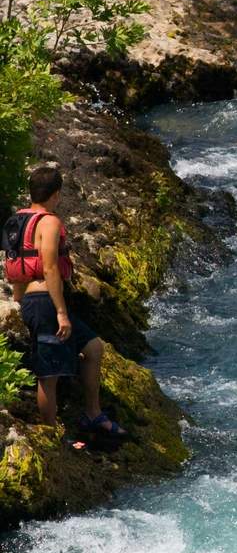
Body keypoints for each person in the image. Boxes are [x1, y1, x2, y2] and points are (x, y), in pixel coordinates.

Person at [4, 166, 125, 437]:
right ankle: (49, 432)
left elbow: (16, 260)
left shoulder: (16, 220)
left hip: (33, 299)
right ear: (56, 194)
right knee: (49, 374)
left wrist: (18, 298)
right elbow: (49, 267)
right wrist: (61, 312)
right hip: (47, 302)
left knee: (93, 348)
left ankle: (93, 414)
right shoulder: (49, 222)